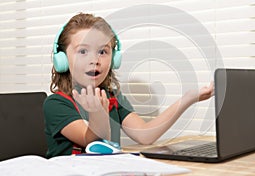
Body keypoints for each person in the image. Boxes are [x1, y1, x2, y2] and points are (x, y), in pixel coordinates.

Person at [43, 13, 214, 158]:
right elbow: (94, 144)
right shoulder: (56, 104)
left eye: (102, 51)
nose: (94, 60)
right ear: (62, 60)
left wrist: (189, 98)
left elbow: (145, 135)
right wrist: (98, 114)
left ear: (114, 59)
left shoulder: (113, 98)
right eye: (82, 51)